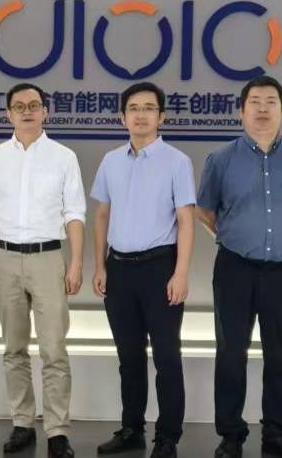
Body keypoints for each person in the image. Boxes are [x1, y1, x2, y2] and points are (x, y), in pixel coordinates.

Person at [196, 75, 282, 458]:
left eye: (271, 101)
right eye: (254, 102)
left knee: (281, 355)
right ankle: (231, 435)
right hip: (234, 269)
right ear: (241, 111)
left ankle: (277, 435)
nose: (262, 109)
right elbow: (205, 210)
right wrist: (234, 235)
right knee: (231, 353)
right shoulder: (221, 159)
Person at [0, 82, 85, 458]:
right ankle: (22, 423)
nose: (27, 111)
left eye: (34, 105)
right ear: (8, 113)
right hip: (4, 258)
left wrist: (75, 262)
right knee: (14, 348)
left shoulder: (63, 157)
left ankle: (57, 431)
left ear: (45, 111)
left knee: (54, 348)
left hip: (48, 258)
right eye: (19, 106)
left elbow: (74, 213)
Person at [91, 82, 194, 458]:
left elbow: (186, 220)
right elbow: (102, 215)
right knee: (129, 357)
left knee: (167, 356)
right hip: (118, 269)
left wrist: (181, 273)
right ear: (123, 117)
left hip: (160, 268)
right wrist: (100, 265)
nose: (140, 114)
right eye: (133, 108)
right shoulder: (111, 161)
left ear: (161, 116)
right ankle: (132, 429)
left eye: (149, 108)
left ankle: (168, 437)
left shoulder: (177, 161)